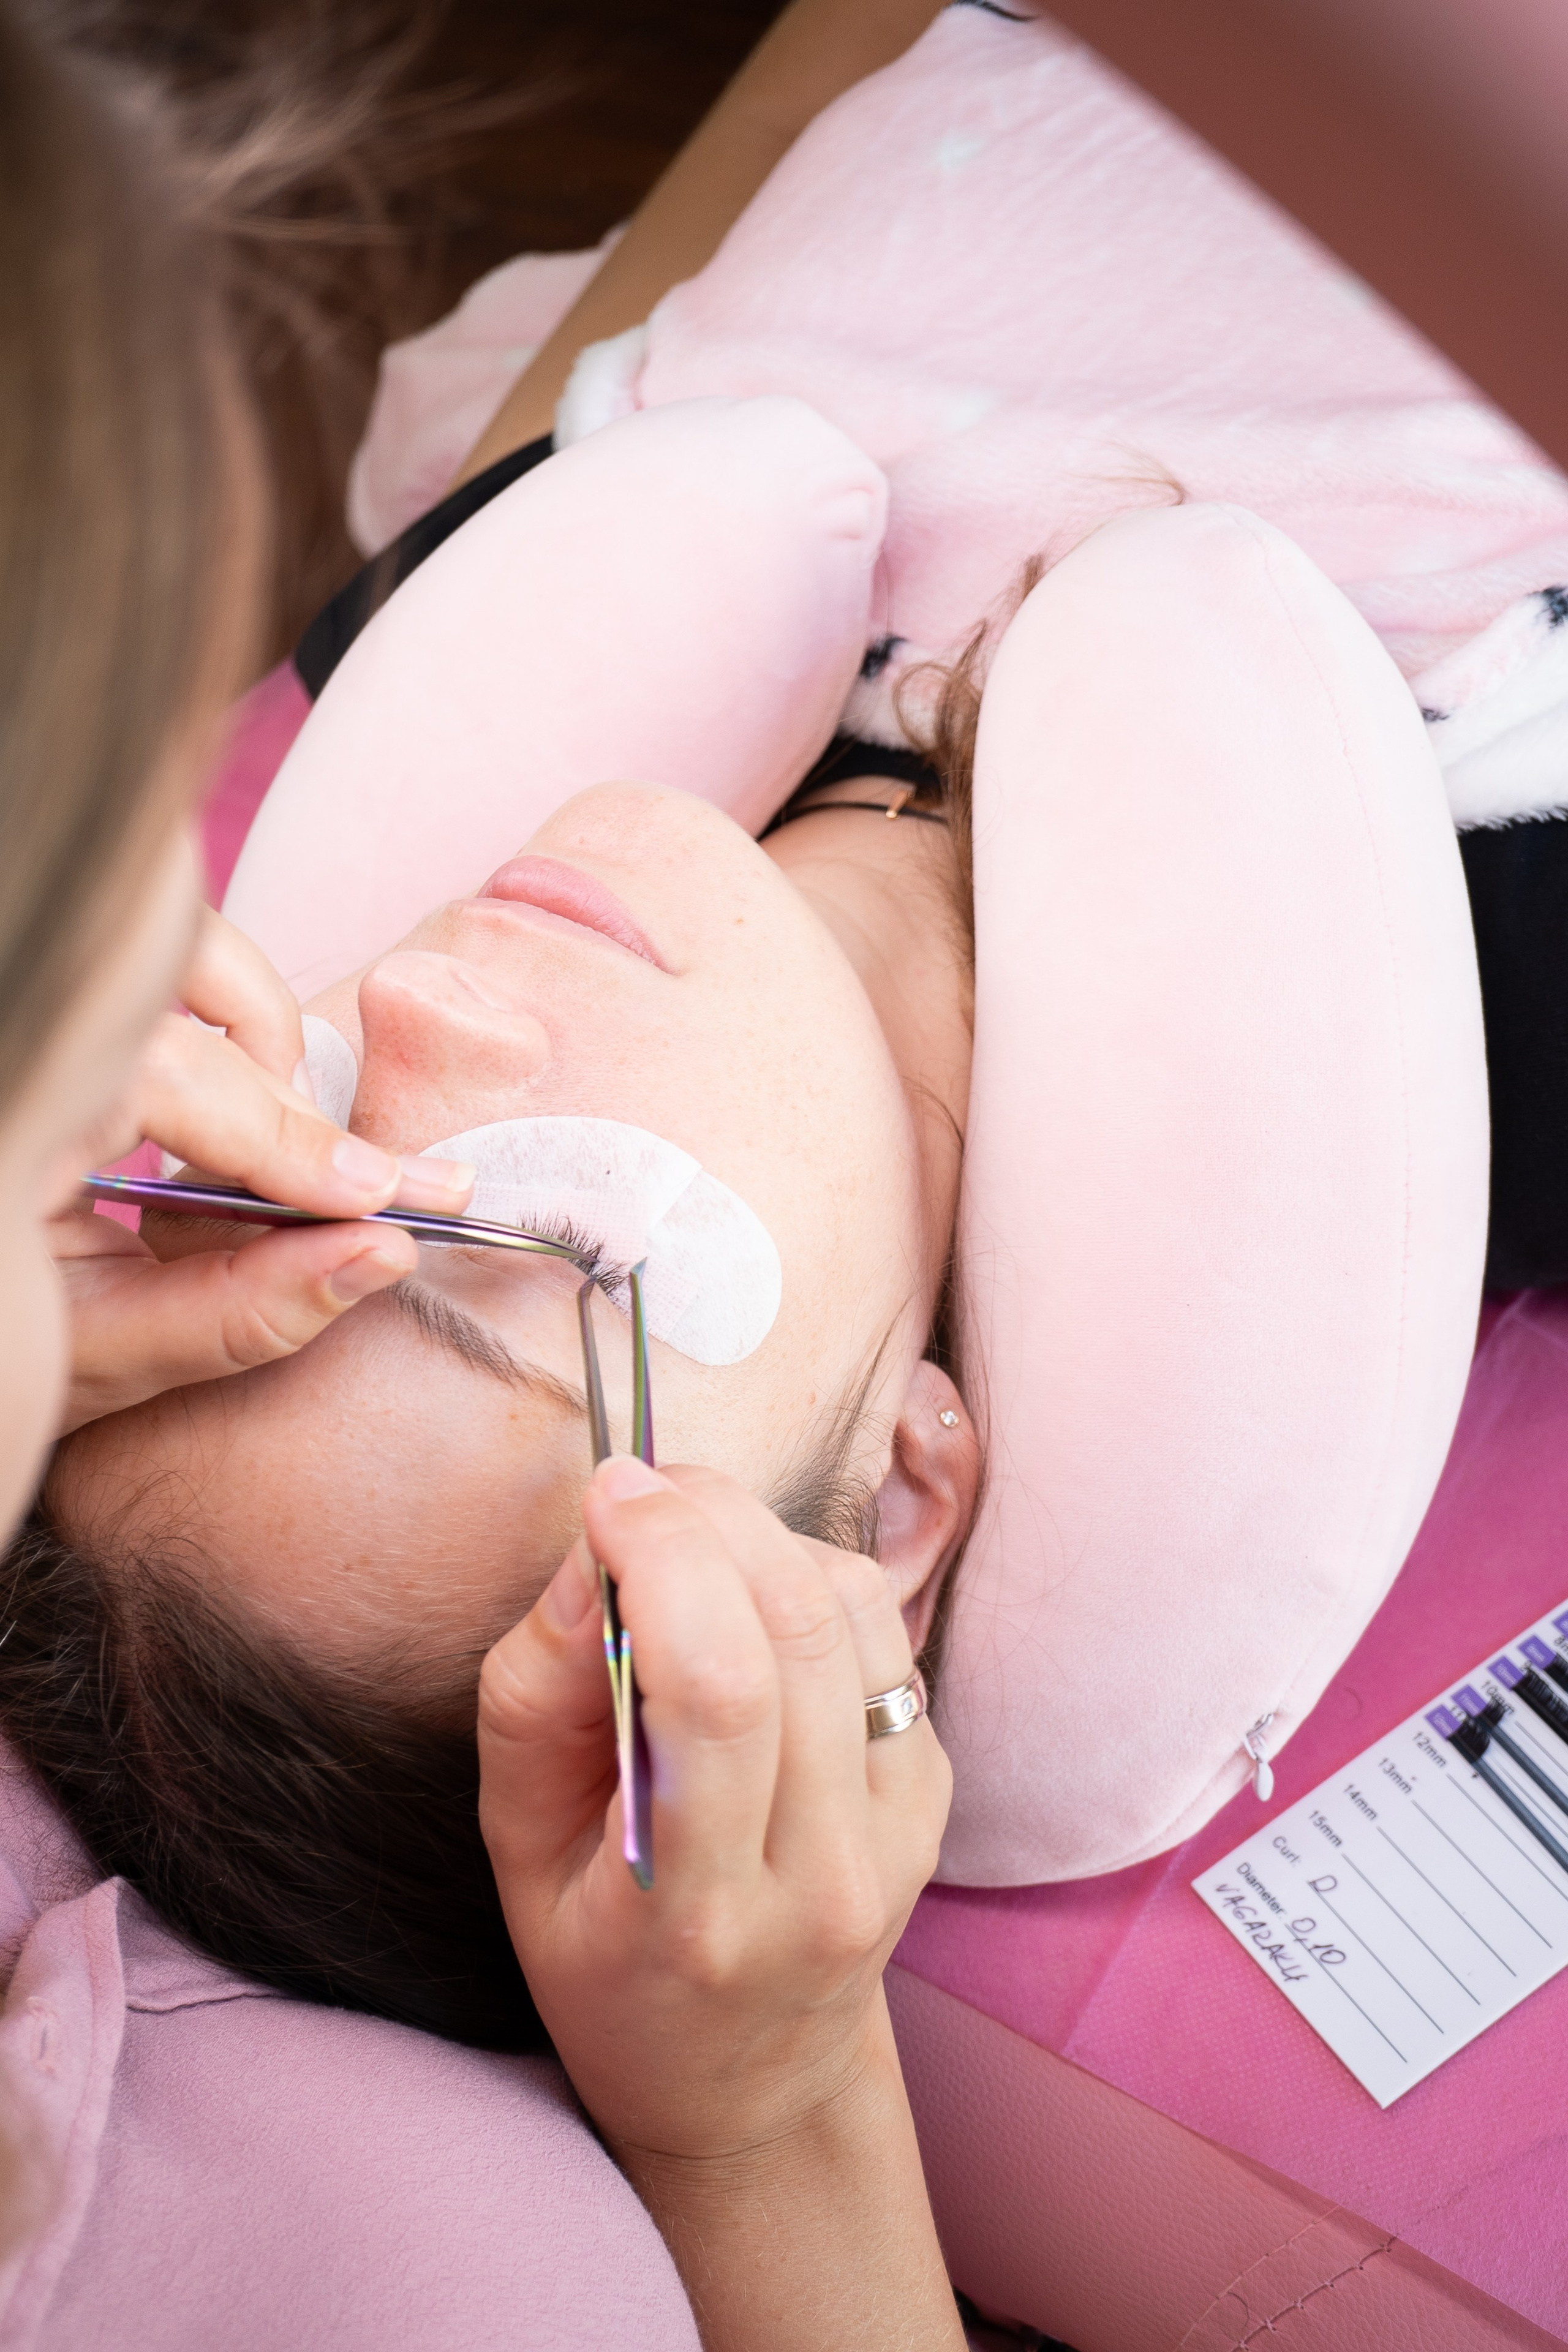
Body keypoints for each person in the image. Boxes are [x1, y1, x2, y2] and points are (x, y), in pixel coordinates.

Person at [0, 4, 979, 2346]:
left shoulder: (518, 570)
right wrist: (762, 2124)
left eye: (274, 1156)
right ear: (902, 1512)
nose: (399, 1002)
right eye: (550, 1240)